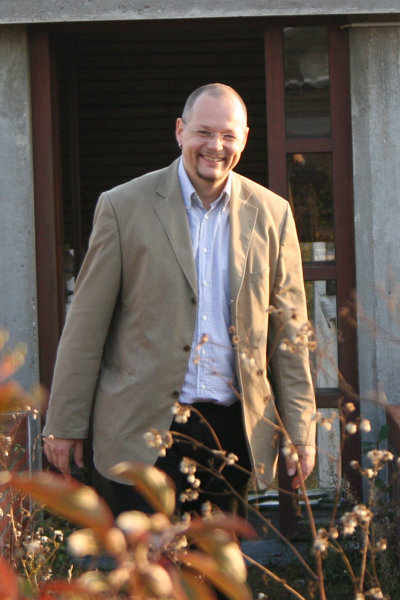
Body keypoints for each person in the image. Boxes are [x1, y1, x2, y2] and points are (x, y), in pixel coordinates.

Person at [43, 83, 316, 519]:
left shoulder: (273, 214)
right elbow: (86, 325)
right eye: (203, 132)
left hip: (232, 434)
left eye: (228, 135)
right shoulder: (122, 207)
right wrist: (64, 423)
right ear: (179, 131)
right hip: (143, 430)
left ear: (245, 139)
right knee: (148, 561)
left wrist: (300, 430)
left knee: (217, 562)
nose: (215, 146)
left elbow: (290, 334)